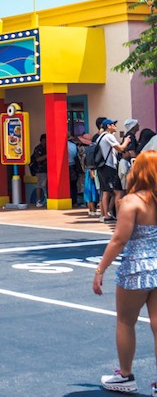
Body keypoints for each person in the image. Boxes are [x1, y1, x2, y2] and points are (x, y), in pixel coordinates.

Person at [93, 151, 157, 394]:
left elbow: (119, 239)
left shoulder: (131, 202)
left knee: (125, 322)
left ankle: (126, 376)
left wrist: (100, 269)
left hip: (136, 270)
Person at [99, 119, 132, 222]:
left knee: (106, 191)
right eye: (114, 124)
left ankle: (106, 215)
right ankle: (119, 215)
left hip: (102, 167)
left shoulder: (100, 137)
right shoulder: (108, 136)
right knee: (119, 191)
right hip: (109, 167)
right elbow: (120, 148)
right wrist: (126, 141)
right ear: (108, 126)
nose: (115, 126)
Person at [30, 134, 48, 207]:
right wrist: (47, 155)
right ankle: (39, 200)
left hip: (46, 169)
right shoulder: (38, 148)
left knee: (44, 185)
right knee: (40, 185)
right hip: (40, 170)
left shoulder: (47, 147)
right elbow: (37, 159)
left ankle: (45, 199)